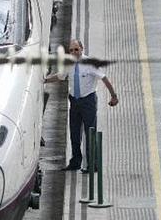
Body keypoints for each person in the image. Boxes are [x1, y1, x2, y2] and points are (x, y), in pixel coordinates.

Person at [44, 39, 118, 171]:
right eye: (71, 50)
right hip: (74, 101)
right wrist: (44, 80)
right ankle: (75, 162)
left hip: (88, 101)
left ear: (82, 49)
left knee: (90, 132)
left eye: (76, 49)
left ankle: (92, 164)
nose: (73, 52)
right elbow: (61, 76)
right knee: (74, 133)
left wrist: (114, 96)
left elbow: (104, 79)